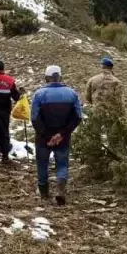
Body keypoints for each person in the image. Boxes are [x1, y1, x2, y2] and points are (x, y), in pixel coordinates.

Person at [30, 66, 82, 205]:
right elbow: (77, 117)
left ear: (46, 78)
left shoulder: (39, 94)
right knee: (62, 164)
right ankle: (60, 188)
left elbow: (34, 118)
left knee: (42, 164)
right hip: (63, 137)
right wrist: (61, 134)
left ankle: (44, 194)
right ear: (60, 77)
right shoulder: (72, 94)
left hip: (43, 138)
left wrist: (48, 136)